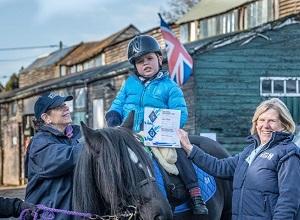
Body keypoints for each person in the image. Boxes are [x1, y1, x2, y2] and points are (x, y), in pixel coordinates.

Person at [105, 34, 208, 215]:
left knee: (179, 155)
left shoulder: (170, 86)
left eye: (149, 58)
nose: (145, 63)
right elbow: (117, 105)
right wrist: (114, 119)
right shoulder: (128, 84)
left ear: (159, 58)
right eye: (140, 61)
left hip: (160, 134)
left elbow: (181, 113)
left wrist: (164, 124)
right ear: (135, 66)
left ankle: (195, 194)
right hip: (131, 135)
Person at [178, 98, 300, 219]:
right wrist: (190, 148)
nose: (265, 125)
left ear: (284, 124)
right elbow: (219, 167)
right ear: (256, 123)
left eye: (272, 121)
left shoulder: (288, 154)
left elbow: (289, 200)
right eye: (261, 120)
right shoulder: (250, 151)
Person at [25, 92, 83, 220]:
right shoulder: (39, 143)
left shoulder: (79, 133)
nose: (66, 108)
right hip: (50, 215)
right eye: (59, 107)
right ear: (46, 118)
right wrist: (96, 143)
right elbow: (68, 157)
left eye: (65, 104)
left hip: (77, 214)